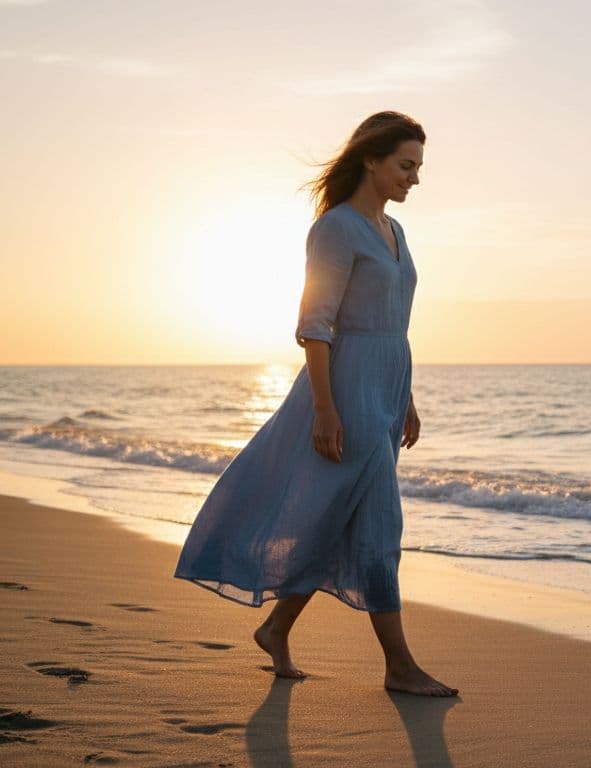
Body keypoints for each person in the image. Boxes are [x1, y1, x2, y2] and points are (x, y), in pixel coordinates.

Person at [173, 111, 456, 697]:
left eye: (419, 167)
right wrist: (326, 409)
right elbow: (315, 325)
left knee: (340, 518)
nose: (415, 178)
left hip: (384, 392)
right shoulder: (336, 230)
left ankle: (276, 628)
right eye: (406, 165)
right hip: (345, 394)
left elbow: (391, 326)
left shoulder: (395, 233)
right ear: (371, 160)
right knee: (379, 525)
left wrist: (407, 397)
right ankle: (399, 666)